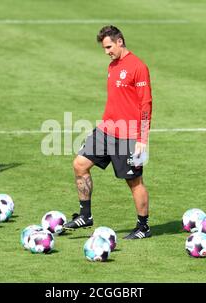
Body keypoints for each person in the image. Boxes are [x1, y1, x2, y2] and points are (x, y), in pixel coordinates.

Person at [63, 25, 153, 239]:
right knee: (79, 164)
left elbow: (146, 104)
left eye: (109, 46)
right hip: (105, 130)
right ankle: (85, 215)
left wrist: (142, 138)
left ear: (120, 41)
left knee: (134, 182)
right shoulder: (113, 66)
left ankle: (143, 227)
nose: (107, 52)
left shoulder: (138, 67)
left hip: (129, 135)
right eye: (104, 48)